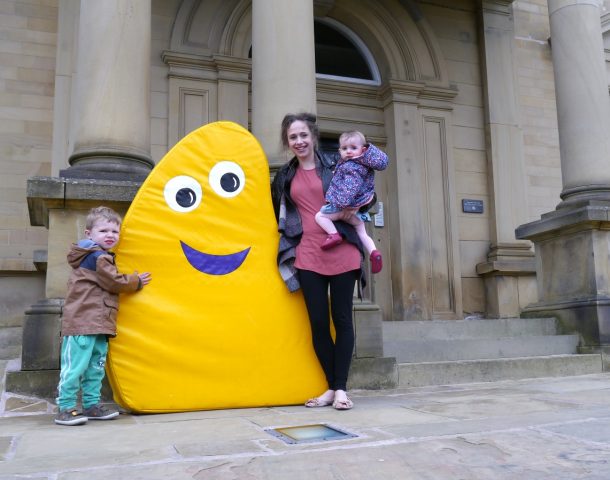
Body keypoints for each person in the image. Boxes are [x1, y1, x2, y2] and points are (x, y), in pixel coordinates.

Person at [271, 112, 366, 411]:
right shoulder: (284, 176)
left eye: (303, 135)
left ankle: (340, 389)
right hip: (308, 253)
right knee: (318, 323)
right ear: (288, 143)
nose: (299, 141)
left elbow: (365, 190)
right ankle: (331, 385)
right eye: (293, 137)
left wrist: (358, 208)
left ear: (313, 136)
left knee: (342, 320)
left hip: (342, 250)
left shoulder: (337, 165)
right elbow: (278, 213)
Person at [54, 206, 152, 426]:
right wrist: (135, 281)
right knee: (75, 367)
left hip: (99, 322)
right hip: (82, 323)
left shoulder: (102, 257)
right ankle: (65, 407)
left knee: (95, 366)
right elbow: (113, 281)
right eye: (104, 231)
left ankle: (91, 405)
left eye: (114, 232)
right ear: (89, 234)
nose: (110, 235)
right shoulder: (97, 257)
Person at [314, 130, 387, 274]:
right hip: (358, 212)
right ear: (339, 150)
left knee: (320, 216)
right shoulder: (361, 166)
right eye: (345, 148)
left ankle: (333, 234)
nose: (349, 151)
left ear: (363, 150)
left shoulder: (351, 167)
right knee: (362, 233)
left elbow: (350, 188)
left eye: (353, 148)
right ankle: (374, 252)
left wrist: (341, 204)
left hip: (343, 207)